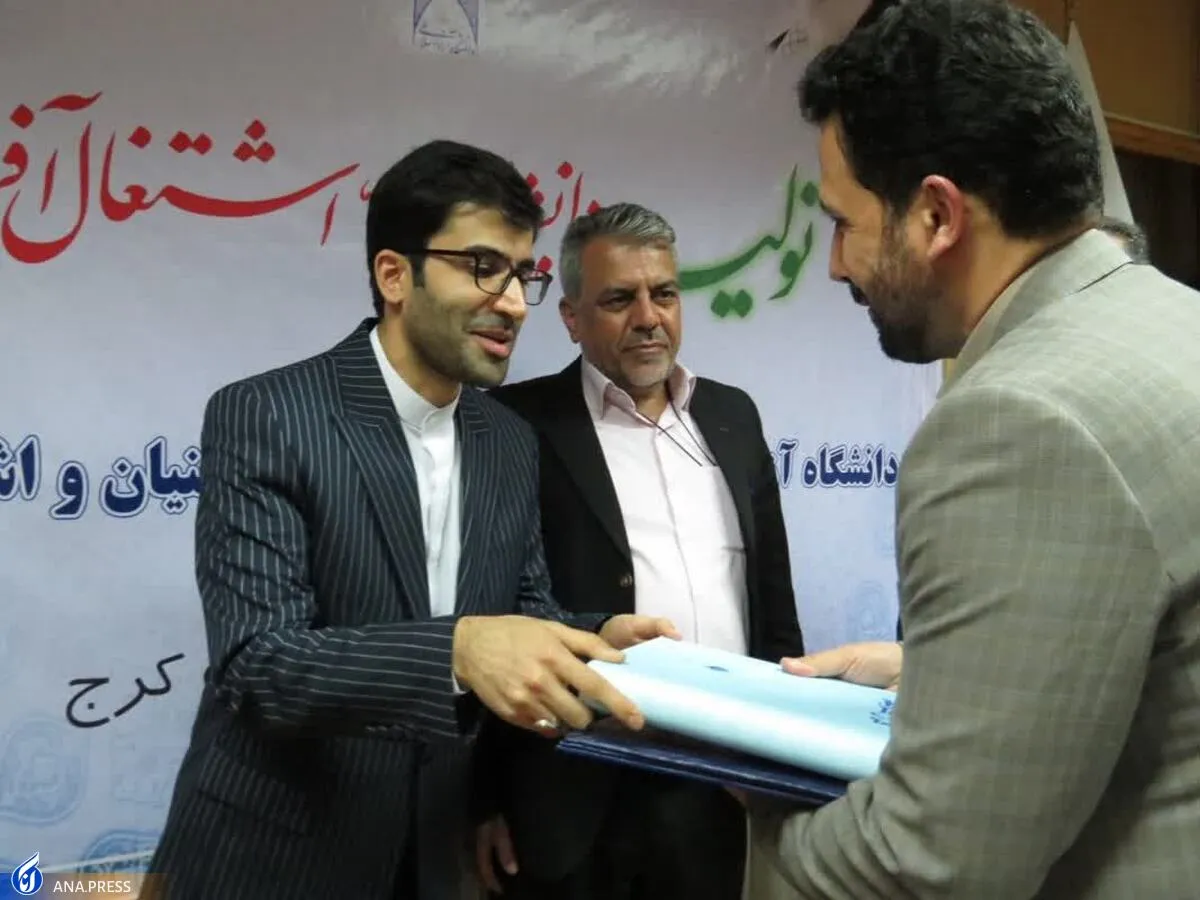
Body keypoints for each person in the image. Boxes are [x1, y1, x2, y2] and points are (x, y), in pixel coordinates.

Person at [744, 2, 1200, 897]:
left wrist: (747, 821)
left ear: (936, 216)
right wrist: (938, 677)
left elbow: (929, 867)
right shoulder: (1176, 320)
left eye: (842, 222)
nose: (834, 265)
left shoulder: (1016, 420)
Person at [146, 139, 677, 900]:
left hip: (432, 853)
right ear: (395, 275)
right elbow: (258, 664)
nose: (514, 304)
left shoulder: (508, 441)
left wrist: (594, 637)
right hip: (273, 858)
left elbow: (524, 612)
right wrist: (457, 651)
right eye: (483, 267)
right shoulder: (268, 414)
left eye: (522, 275)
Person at [472, 202, 805, 900]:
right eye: (620, 299)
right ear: (571, 317)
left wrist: (788, 757)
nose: (649, 318)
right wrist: (483, 797)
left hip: (721, 782)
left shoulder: (732, 415)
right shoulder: (515, 425)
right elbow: (488, 612)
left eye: (666, 294)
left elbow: (772, 597)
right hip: (572, 788)